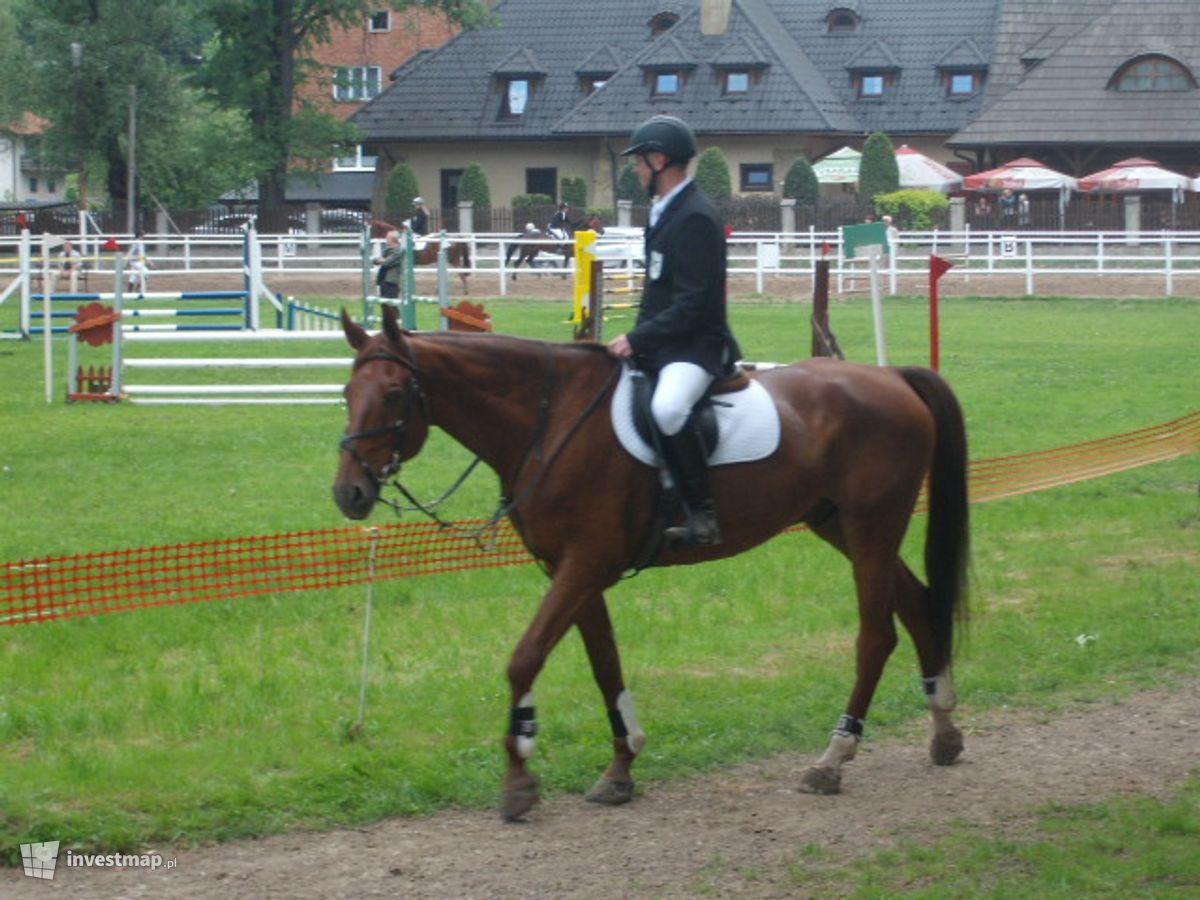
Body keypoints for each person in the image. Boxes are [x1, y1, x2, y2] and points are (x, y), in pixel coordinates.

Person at [606, 114, 742, 548]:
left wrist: (638, 339)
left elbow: (694, 303)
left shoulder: (696, 216)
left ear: (660, 160)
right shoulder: (664, 212)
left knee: (666, 408)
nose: (636, 169)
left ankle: (702, 512)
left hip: (696, 346)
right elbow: (659, 290)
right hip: (666, 343)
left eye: (640, 161)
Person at [372, 229, 405, 299]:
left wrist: (382, 260)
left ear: (392, 239)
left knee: (390, 305)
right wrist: (382, 260)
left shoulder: (397, 251)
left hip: (390, 282)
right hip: (383, 280)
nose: (386, 239)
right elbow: (374, 261)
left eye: (387, 238)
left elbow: (387, 263)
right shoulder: (388, 250)